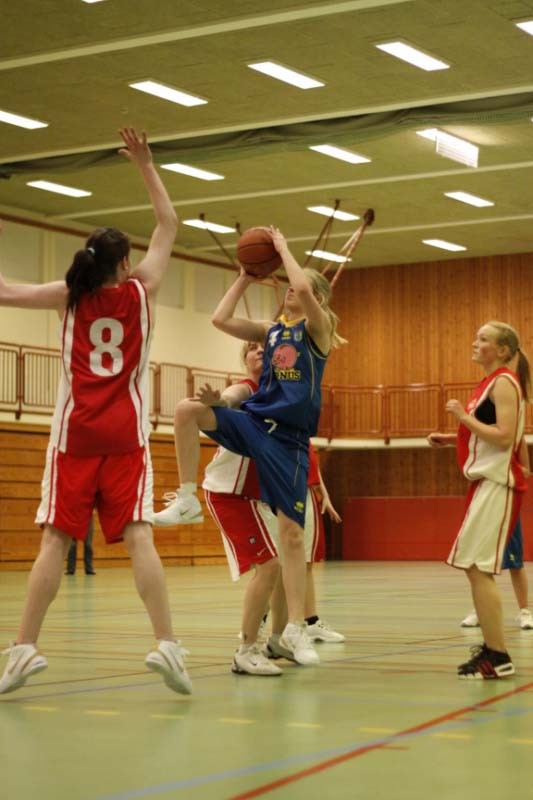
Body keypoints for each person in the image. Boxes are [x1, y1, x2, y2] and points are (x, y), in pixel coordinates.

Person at [0, 128, 191, 695]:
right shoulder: (143, 291)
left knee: (55, 541)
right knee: (139, 538)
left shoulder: (69, 296)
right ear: (125, 263)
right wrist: (145, 165)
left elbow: (6, 291)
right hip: (127, 435)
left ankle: (24, 649)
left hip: (75, 436)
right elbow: (169, 224)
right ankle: (167, 644)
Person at [153, 227, 344, 666]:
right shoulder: (272, 331)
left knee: (291, 536)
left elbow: (301, 286)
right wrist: (243, 277)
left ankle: (295, 629)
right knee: (186, 410)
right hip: (257, 424)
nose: (291, 290)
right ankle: (186, 498)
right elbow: (220, 319)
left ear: (316, 297)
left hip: (289, 441)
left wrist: (283, 247)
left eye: (299, 287)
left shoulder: (318, 330)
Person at [428, 321, 530, 679]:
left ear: (502, 350)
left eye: (483, 339)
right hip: (485, 483)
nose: (475, 343)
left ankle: (498, 656)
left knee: (479, 567)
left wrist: (462, 416)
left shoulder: (504, 382)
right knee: (473, 566)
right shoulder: (489, 383)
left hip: (498, 483)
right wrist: (452, 436)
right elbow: (490, 435)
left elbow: (504, 437)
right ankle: (492, 650)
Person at [460, 515, 533, 630]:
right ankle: (480, 611)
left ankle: (525, 612)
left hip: (508, 514)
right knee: (480, 565)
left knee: (516, 564)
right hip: (484, 516)